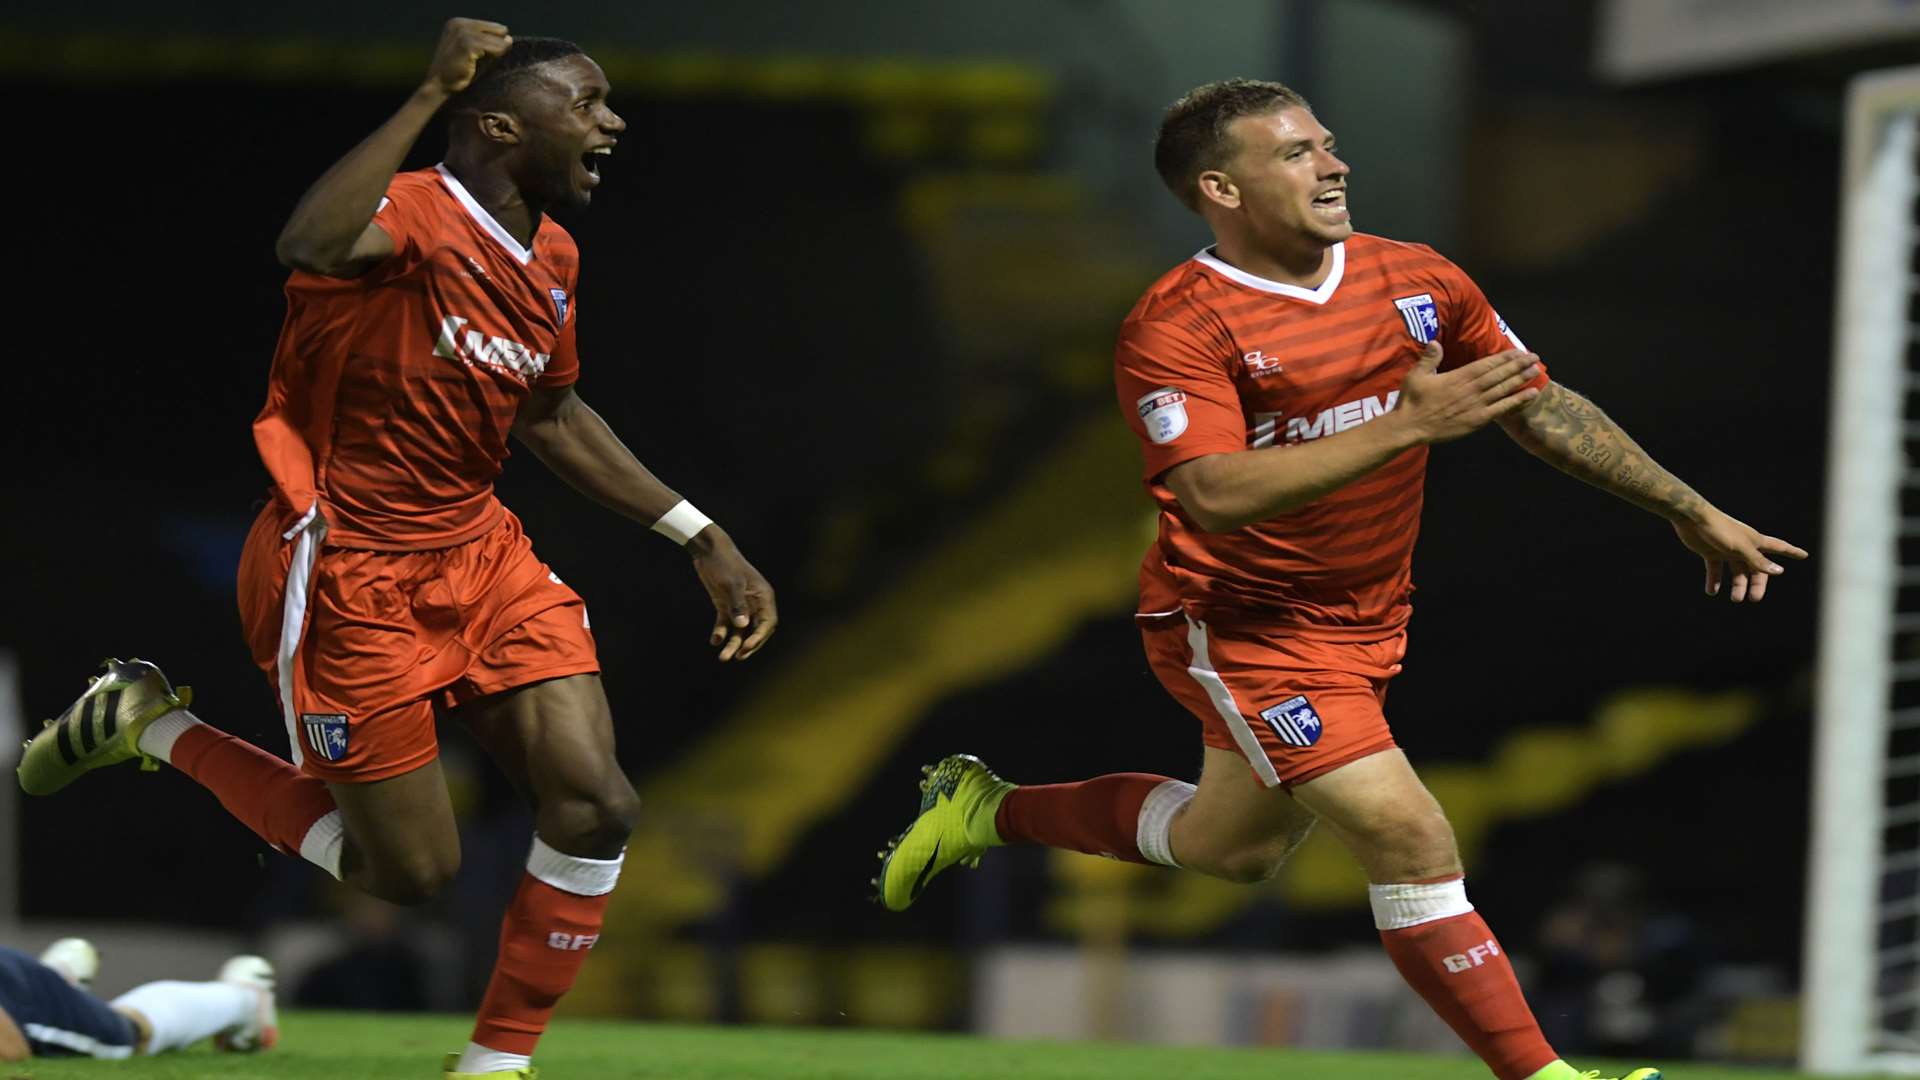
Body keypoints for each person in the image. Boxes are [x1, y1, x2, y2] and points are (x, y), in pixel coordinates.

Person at [874, 78, 1807, 1080]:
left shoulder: (1417, 279)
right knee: (1411, 835)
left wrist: (1686, 507)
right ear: (1221, 189)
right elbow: (1214, 490)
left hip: (1367, 616)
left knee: (1229, 847)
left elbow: (1537, 404)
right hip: (1242, 619)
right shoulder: (1178, 324)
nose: (1334, 164)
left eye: (1328, 143)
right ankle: (1546, 1079)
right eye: (1297, 153)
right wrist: (1405, 425)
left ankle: (986, 808)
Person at [16, 18, 777, 1079]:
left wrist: (700, 534)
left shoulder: (551, 253)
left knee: (597, 802)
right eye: (588, 103)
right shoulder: (408, 215)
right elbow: (310, 244)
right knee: (408, 874)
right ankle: (155, 726)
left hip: (480, 553)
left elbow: (550, 417)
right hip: (342, 573)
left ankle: (496, 1063)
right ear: (501, 125)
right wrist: (426, 95)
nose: (612, 122)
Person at [0, 938, 276, 1062]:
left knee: (128, 1033)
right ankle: (61, 983)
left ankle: (246, 998)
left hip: (24, 1004)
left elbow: (11, 1048)